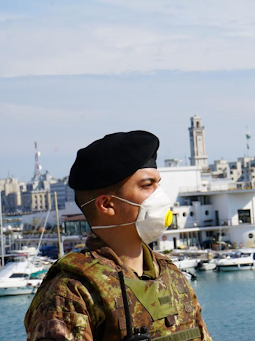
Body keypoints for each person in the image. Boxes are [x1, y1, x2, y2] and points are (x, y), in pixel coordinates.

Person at [25, 130, 212, 341]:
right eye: (147, 185)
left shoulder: (172, 276)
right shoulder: (71, 292)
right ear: (106, 205)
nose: (160, 196)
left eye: (158, 184)